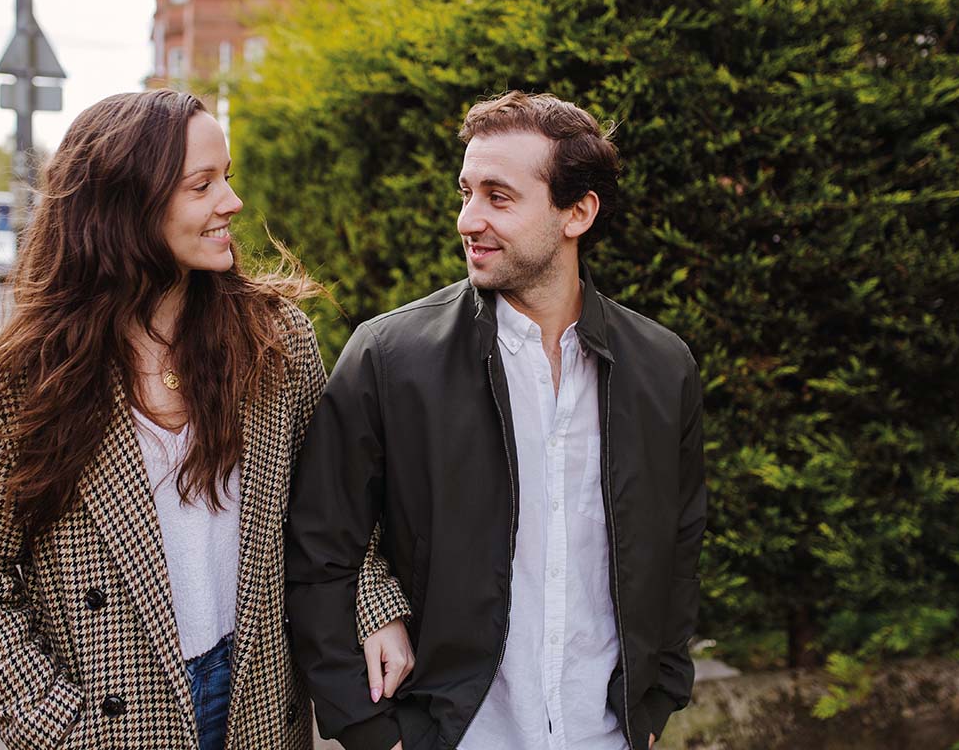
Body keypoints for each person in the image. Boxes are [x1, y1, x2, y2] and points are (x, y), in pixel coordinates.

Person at [0, 90, 410, 750]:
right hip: (108, 714)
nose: (231, 203)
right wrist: (47, 718)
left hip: (259, 692)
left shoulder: (274, 340)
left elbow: (334, 511)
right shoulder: (18, 380)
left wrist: (375, 607)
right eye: (202, 185)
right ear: (125, 205)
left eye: (227, 178)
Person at [285, 91, 707, 750]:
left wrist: (654, 702)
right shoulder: (390, 358)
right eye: (466, 193)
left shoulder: (662, 368)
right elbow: (318, 554)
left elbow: (678, 549)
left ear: (578, 212)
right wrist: (372, 732)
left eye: (498, 197)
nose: (468, 219)